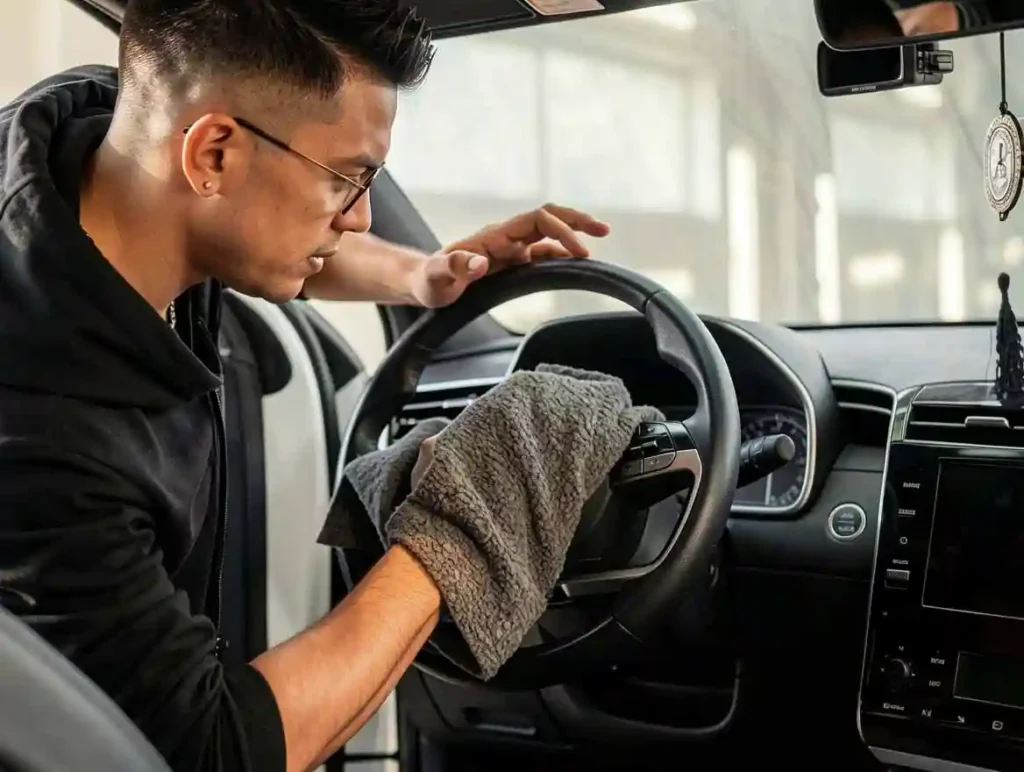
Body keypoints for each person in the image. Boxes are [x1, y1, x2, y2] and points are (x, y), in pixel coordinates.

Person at [0, 1, 610, 771]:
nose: (356, 220)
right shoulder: (46, 440)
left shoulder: (91, 131)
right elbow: (219, 749)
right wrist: (471, 514)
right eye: (345, 181)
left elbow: (267, 235)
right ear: (213, 154)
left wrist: (417, 276)